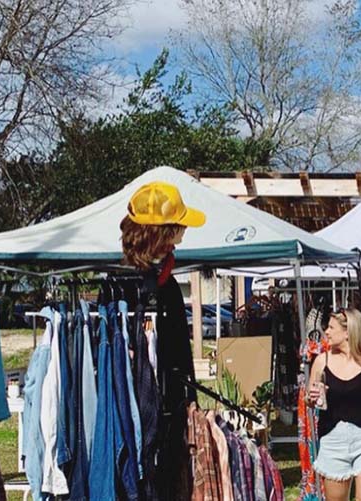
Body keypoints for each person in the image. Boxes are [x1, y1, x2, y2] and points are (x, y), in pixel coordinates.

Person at [120, 182, 205, 500]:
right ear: (163, 232)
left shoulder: (165, 282)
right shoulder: (131, 287)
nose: (183, 233)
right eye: (179, 226)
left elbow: (179, 352)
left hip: (171, 410)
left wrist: (190, 400)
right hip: (142, 415)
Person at [308, 309, 361, 501]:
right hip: (333, 440)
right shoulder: (321, 362)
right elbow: (310, 399)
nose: (326, 331)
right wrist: (310, 398)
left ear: (348, 332)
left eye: (330, 327)